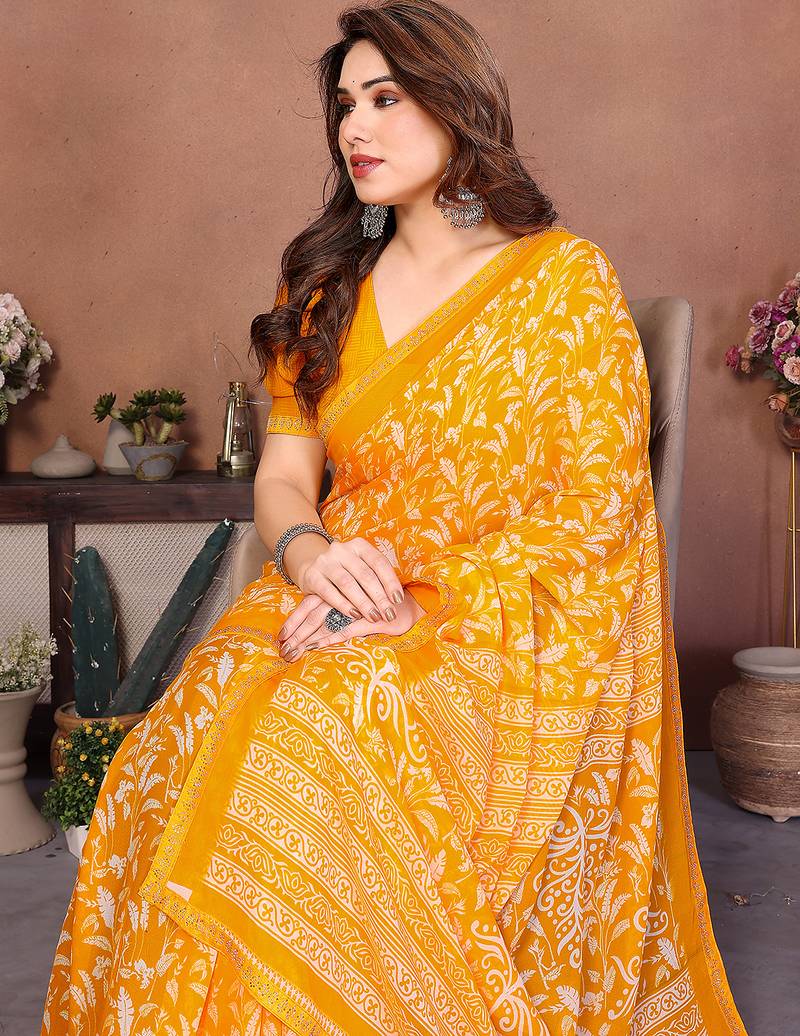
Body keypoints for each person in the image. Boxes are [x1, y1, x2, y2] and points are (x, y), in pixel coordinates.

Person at [41, 2, 750, 1034]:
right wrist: (312, 555)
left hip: (491, 631)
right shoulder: (324, 285)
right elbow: (284, 477)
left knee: (311, 738)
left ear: (457, 105)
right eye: (343, 105)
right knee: (182, 738)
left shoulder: (562, 282)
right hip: (334, 583)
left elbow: (598, 510)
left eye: (384, 99)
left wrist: (424, 605)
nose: (353, 129)